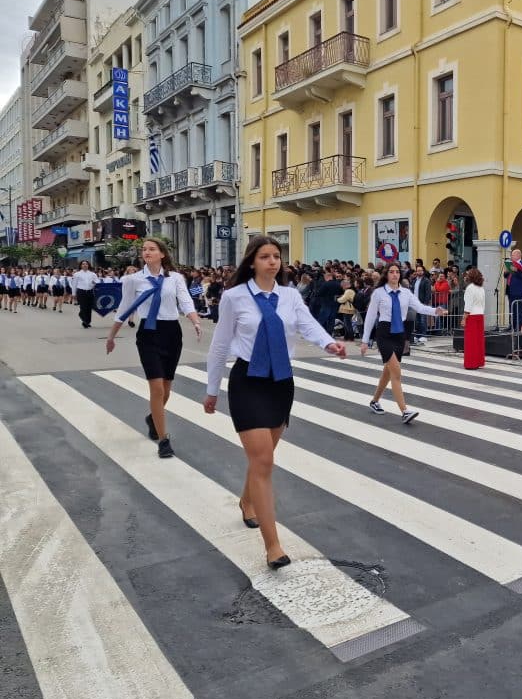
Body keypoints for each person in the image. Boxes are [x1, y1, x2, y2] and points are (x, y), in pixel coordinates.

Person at [204, 236, 347, 571]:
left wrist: (329, 343)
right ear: (252, 261)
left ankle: (246, 500)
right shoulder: (234, 297)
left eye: (276, 256)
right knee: (264, 460)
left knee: (262, 459)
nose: (272, 262)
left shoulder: (290, 296)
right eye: (265, 256)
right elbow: (220, 344)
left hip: (281, 383)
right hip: (248, 383)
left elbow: (307, 324)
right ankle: (273, 545)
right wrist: (212, 389)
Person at [106, 238, 203, 459]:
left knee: (167, 388)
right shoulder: (133, 280)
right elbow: (125, 307)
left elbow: (186, 301)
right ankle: (163, 440)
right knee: (157, 389)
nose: (146, 252)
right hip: (148, 335)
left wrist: (195, 321)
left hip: (171, 334)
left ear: (162, 254)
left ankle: (153, 418)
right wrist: (112, 335)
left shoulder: (175, 278)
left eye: (151, 249)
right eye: (144, 249)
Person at [360, 263, 448, 423]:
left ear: (400, 275)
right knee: (396, 373)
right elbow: (371, 316)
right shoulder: (378, 293)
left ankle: (374, 401)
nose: (394, 275)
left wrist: (435, 311)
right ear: (386, 275)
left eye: (397, 272)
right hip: (384, 333)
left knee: (387, 371)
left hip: (400, 334)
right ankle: (404, 411)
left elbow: (420, 308)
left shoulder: (406, 293)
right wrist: (365, 340)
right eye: (391, 272)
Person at [462, 268, 486, 369]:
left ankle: (471, 363)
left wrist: (464, 318)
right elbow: (483, 303)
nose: (466, 276)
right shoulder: (481, 288)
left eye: (468, 274)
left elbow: (468, 305)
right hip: (480, 314)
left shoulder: (470, 288)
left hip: (471, 315)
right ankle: (479, 361)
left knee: (471, 341)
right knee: (478, 340)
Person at [504, 248, 522, 330]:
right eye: (511, 255)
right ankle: (512, 325)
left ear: (519, 255)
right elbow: (506, 276)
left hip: (519, 291)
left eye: (513, 255)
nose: (511, 256)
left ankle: (518, 327)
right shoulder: (511, 264)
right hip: (510, 289)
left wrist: (516, 271)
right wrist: (507, 271)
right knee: (512, 310)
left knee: (519, 310)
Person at [71, 260, 100, 328]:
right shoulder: (77, 274)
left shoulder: (92, 274)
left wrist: (94, 282)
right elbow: (74, 284)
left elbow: (97, 282)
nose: (85, 265)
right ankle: (85, 321)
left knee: (89, 308)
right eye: (83, 264)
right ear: (81, 265)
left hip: (90, 292)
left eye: (86, 264)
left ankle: (88, 321)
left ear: (88, 265)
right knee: (83, 307)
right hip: (81, 292)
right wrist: (73, 294)